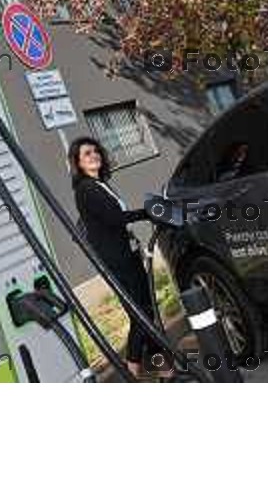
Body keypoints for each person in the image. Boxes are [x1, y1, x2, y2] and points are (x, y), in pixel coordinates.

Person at [68, 136, 161, 378]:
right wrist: (149, 212)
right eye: (87, 153)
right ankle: (131, 373)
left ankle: (167, 373)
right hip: (118, 262)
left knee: (146, 314)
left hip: (127, 256)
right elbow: (115, 219)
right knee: (142, 317)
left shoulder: (101, 184)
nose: (94, 155)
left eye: (96, 151)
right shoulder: (86, 189)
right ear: (77, 163)